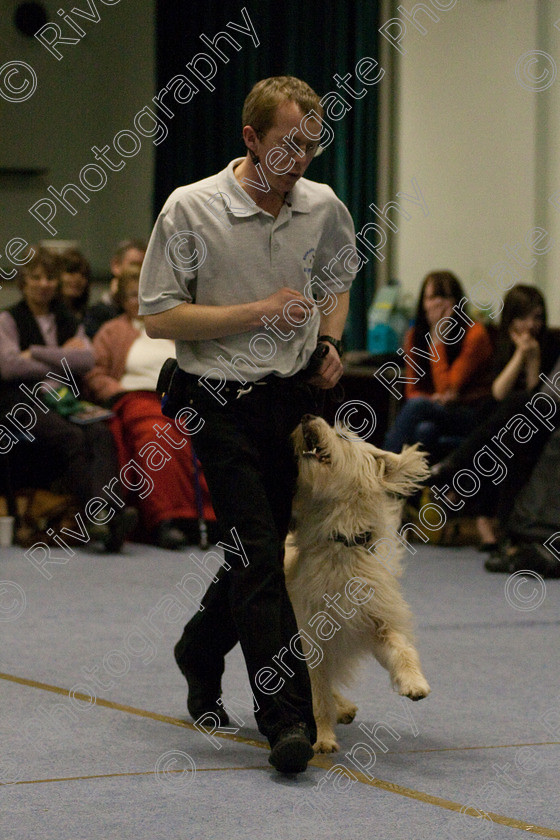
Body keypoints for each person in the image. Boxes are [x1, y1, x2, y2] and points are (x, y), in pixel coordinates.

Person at [138, 76, 357, 773]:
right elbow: (159, 315)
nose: (299, 158)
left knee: (250, 552)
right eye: (286, 143)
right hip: (215, 398)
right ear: (251, 138)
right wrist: (257, 312)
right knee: (262, 554)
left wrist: (329, 345)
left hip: (291, 403)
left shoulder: (322, 207)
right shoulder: (191, 209)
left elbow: (337, 280)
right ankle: (286, 719)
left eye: (311, 144)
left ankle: (200, 649)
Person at [0, 246, 135, 550]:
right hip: (22, 402)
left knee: (101, 433)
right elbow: (8, 367)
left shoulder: (67, 318)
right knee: (72, 436)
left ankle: (102, 517)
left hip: (64, 400)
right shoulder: (8, 319)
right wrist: (64, 356)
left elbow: (87, 360)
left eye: (49, 278)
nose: (44, 284)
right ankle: (106, 514)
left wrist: (34, 352)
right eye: (36, 277)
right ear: (24, 282)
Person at [86, 266, 216, 549]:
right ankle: (165, 519)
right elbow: (95, 373)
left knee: (198, 436)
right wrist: (117, 392)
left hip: (178, 400)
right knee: (156, 436)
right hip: (134, 398)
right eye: (132, 295)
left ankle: (202, 518)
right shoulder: (113, 331)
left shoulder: (174, 329)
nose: (138, 300)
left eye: (144, 294)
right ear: (121, 300)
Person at [431, 285, 560, 561]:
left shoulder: (549, 344)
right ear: (511, 319)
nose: (531, 325)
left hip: (530, 421)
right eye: (524, 317)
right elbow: (498, 392)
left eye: (537, 317)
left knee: (514, 415)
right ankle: (491, 525)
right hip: (502, 420)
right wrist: (519, 355)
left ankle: (454, 470)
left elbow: (539, 401)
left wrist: (533, 357)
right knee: (505, 424)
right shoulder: (499, 342)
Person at [384, 271, 494, 458]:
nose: (437, 304)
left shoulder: (474, 334)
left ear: (456, 302)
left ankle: (382, 470)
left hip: (469, 412)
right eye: (431, 298)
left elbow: (448, 388)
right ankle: (416, 486)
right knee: (425, 430)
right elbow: (412, 391)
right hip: (432, 410)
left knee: (418, 407)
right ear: (423, 304)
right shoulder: (414, 335)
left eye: (444, 297)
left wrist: (437, 340)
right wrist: (433, 399)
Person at [83, 239, 146, 338]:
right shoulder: (98, 313)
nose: (140, 271)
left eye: (144, 266)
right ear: (116, 265)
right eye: (134, 264)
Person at [59, 247, 91, 322]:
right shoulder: (48, 315)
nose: (78, 279)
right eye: (71, 272)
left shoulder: (89, 317)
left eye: (83, 275)